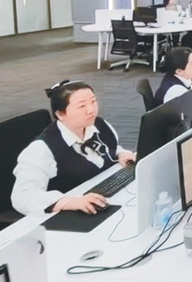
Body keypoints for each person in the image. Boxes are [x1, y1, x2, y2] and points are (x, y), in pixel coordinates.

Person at [11, 81, 135, 216]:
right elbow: (22, 196)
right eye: (81, 106)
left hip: (103, 199)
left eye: (93, 101)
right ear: (60, 114)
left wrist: (121, 153)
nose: (91, 110)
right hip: (68, 215)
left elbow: (110, 147)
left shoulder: (99, 125)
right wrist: (70, 202)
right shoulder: (41, 149)